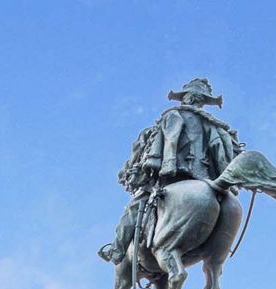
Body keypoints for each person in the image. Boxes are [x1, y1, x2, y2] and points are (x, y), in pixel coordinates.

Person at [99, 78, 244, 265]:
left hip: (172, 177)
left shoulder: (172, 116)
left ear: (187, 98)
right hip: (207, 180)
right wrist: (228, 179)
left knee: (134, 207)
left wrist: (156, 166)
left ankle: (116, 251)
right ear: (201, 101)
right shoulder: (213, 125)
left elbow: (165, 143)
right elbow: (219, 150)